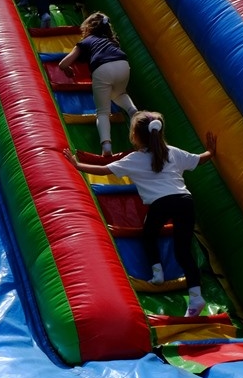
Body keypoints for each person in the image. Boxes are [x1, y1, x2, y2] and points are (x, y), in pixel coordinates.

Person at [64, 111, 217, 318]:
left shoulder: (135, 159)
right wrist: (210, 151)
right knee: (183, 251)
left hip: (161, 204)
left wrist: (77, 165)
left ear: (135, 135)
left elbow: (104, 170)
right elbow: (198, 160)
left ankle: (157, 272)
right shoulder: (172, 152)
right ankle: (196, 297)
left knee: (149, 234)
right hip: (184, 201)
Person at [58, 12, 138, 159]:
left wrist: (68, 70)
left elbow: (63, 64)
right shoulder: (111, 41)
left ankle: (106, 147)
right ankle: (132, 110)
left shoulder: (86, 41)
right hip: (123, 65)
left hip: (103, 69)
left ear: (88, 27)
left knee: (102, 111)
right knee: (119, 94)